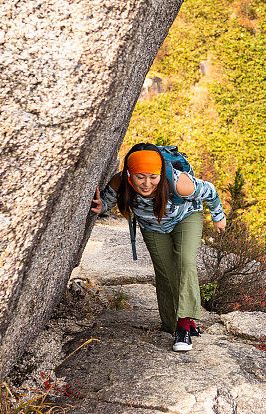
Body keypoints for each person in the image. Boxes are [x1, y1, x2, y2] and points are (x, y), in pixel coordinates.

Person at [90, 143, 226, 352]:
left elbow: (210, 191)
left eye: (153, 177)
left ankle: (183, 326)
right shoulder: (121, 180)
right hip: (152, 226)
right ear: (130, 174)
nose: (147, 183)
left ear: (161, 173)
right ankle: (173, 323)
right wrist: (100, 207)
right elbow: (108, 199)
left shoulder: (180, 183)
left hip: (186, 218)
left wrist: (218, 218)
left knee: (185, 261)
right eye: (140, 177)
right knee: (165, 272)